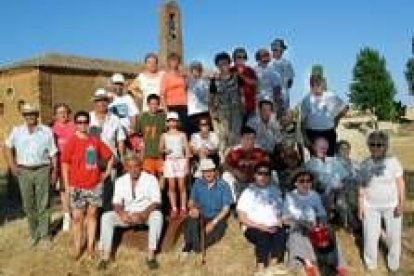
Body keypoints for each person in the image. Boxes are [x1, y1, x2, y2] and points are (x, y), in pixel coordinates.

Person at [61, 111, 114, 259]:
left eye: (85, 122)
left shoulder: (95, 141)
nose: (82, 124)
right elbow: (64, 164)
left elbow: (110, 157)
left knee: (92, 216)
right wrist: (67, 186)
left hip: (95, 185)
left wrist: (107, 173)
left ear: (88, 123)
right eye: (79, 122)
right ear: (75, 124)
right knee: (77, 218)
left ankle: (90, 247)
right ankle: (78, 247)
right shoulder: (71, 141)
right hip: (76, 185)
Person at [4, 103, 58, 247]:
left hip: (43, 169)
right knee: (28, 204)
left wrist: (55, 171)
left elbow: (53, 153)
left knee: (44, 203)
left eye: (33, 114)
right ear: (24, 116)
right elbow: (7, 147)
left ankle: (45, 235)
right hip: (24, 171)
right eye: (27, 114)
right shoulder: (17, 131)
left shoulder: (46, 131)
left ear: (37, 115)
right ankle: (34, 234)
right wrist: (12, 165)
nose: (30, 117)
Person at [98, 153, 163, 270]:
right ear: (126, 168)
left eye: (136, 166)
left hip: (145, 213)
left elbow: (156, 201)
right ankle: (105, 257)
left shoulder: (150, 179)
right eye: (130, 167)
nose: (134, 170)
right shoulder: (120, 181)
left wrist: (143, 214)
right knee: (106, 217)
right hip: (127, 214)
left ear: (141, 166)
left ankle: (151, 256)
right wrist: (122, 214)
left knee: (157, 215)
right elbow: (116, 202)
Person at [283, 169, 347, 276]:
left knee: (330, 232)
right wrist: (300, 223)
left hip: (313, 225)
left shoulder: (314, 195)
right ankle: (309, 265)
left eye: (308, 181)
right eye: (302, 181)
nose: (305, 184)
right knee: (297, 235)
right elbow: (284, 219)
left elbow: (321, 213)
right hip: (297, 225)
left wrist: (322, 222)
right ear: (296, 183)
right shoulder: (290, 197)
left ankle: (339, 264)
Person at [358, 131, 405, 273]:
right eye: (372, 144)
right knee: (370, 237)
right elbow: (361, 186)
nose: (376, 147)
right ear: (368, 146)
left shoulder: (393, 161)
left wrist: (401, 203)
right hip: (370, 207)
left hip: (392, 205)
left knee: (393, 237)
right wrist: (361, 206)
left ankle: (393, 264)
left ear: (385, 146)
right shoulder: (365, 164)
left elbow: (400, 183)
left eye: (380, 144)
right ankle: (370, 264)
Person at [237, 162, 286, 273]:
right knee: (263, 236)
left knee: (281, 233)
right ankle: (261, 267)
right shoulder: (249, 192)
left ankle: (274, 264)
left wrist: (279, 220)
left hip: (272, 225)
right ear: (255, 175)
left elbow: (280, 211)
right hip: (253, 226)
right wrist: (260, 226)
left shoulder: (275, 190)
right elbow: (242, 217)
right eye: (260, 173)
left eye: (266, 174)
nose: (263, 177)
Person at [183, 159, 233, 254]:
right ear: (202, 173)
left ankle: (196, 246)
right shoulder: (197, 183)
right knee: (190, 220)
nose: (208, 174)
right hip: (201, 214)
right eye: (205, 171)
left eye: (210, 170)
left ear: (215, 171)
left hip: (217, 217)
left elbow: (226, 209)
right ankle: (189, 244)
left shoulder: (224, 185)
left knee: (215, 235)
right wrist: (193, 208)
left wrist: (213, 223)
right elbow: (191, 201)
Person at [89, 88, 126, 210]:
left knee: (109, 190)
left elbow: (120, 140)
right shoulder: (88, 118)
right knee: (92, 190)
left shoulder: (115, 119)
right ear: (95, 102)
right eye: (99, 101)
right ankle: (95, 221)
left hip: (111, 159)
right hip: (92, 159)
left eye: (104, 100)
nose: (102, 103)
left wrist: (122, 158)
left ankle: (106, 218)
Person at [300, 74, 348, 156]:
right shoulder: (306, 99)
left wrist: (336, 119)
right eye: (313, 84)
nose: (316, 86)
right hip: (312, 133)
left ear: (322, 84)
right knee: (316, 160)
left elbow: (345, 108)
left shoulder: (331, 96)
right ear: (310, 85)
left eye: (318, 83)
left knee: (330, 158)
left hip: (328, 132)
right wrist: (305, 138)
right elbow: (303, 121)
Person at [305, 137, 349, 222]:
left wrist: (342, 188)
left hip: (338, 191)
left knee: (342, 200)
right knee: (328, 196)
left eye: (325, 147)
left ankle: (351, 226)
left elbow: (344, 177)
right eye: (320, 147)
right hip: (322, 192)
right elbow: (312, 185)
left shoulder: (333, 161)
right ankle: (326, 221)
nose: (323, 150)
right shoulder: (309, 165)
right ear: (314, 147)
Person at [209, 51, 243, 160]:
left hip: (236, 112)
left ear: (229, 64)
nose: (223, 66)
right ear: (217, 66)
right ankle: (224, 165)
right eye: (220, 64)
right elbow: (211, 99)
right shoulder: (214, 81)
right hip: (221, 114)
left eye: (225, 63)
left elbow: (242, 94)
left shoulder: (237, 78)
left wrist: (244, 108)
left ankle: (236, 162)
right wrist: (212, 113)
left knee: (235, 139)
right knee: (222, 140)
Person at [223, 126, 269, 200]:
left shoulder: (259, 150)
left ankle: (271, 197)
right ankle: (234, 202)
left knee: (273, 174)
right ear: (241, 139)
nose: (250, 141)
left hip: (255, 179)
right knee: (226, 176)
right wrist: (236, 172)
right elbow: (225, 165)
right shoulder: (235, 151)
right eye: (247, 139)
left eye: (252, 139)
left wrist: (256, 173)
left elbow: (267, 163)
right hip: (239, 180)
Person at [159, 112, 191, 218]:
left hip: (181, 161)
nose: (172, 122)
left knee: (181, 186)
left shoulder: (182, 134)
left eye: (174, 120)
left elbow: (187, 150)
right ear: (167, 123)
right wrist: (165, 150)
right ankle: (174, 208)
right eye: (170, 120)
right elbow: (160, 149)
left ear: (177, 122)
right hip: (169, 161)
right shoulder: (164, 135)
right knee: (171, 186)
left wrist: (187, 163)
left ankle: (183, 208)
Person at [52, 103, 76, 232]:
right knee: (63, 191)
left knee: (75, 190)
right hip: (61, 165)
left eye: (65, 112)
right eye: (60, 112)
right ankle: (67, 216)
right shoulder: (53, 129)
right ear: (55, 115)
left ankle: (76, 215)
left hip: (74, 164)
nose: (63, 114)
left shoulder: (74, 126)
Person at [135, 94, 166, 178]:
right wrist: (139, 148)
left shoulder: (163, 117)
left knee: (161, 175)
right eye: (151, 104)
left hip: (159, 153)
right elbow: (136, 134)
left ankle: (160, 191)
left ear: (158, 105)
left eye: (156, 104)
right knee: (147, 177)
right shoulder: (142, 117)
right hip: (146, 153)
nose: (154, 106)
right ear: (148, 104)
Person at [160, 52, 189, 134]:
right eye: (172, 61)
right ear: (169, 62)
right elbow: (162, 94)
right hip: (171, 106)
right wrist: (166, 111)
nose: (174, 63)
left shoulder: (182, 75)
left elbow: (187, 89)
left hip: (183, 106)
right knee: (174, 130)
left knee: (184, 129)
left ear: (178, 62)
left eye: (176, 60)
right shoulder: (166, 76)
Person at [335, 140, 360, 231]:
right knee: (342, 204)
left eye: (347, 148)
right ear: (338, 151)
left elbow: (361, 176)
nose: (345, 151)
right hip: (341, 190)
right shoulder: (334, 163)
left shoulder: (355, 162)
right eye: (342, 149)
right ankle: (354, 225)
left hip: (355, 188)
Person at [231, 47, 258, 123]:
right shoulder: (230, 71)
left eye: (244, 57)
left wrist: (241, 75)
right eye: (239, 57)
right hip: (235, 110)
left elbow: (255, 83)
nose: (241, 59)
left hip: (250, 108)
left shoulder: (250, 70)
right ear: (234, 58)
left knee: (250, 132)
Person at [270, 38, 294, 116]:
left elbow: (290, 82)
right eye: (274, 49)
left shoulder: (286, 63)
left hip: (282, 98)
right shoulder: (268, 63)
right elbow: (290, 82)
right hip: (272, 97)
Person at [186, 61, 210, 135]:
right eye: (194, 69)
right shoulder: (187, 81)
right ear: (191, 71)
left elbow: (209, 96)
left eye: (198, 69)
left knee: (205, 134)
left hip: (204, 111)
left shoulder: (206, 81)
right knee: (193, 135)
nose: (196, 71)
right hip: (192, 112)